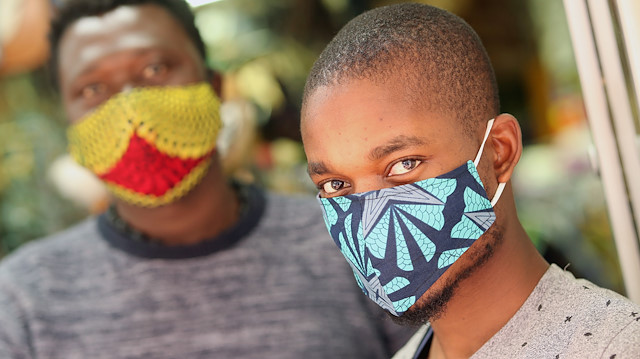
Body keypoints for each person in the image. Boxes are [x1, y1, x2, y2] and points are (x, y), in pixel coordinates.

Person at [0, 0, 414, 358]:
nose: (130, 107)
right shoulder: (22, 300)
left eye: (155, 67)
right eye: (92, 89)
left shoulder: (355, 240)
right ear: (70, 128)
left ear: (214, 86)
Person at [300, 3, 640, 358]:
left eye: (404, 164)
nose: (368, 223)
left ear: (499, 152)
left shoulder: (614, 347)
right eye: (336, 185)